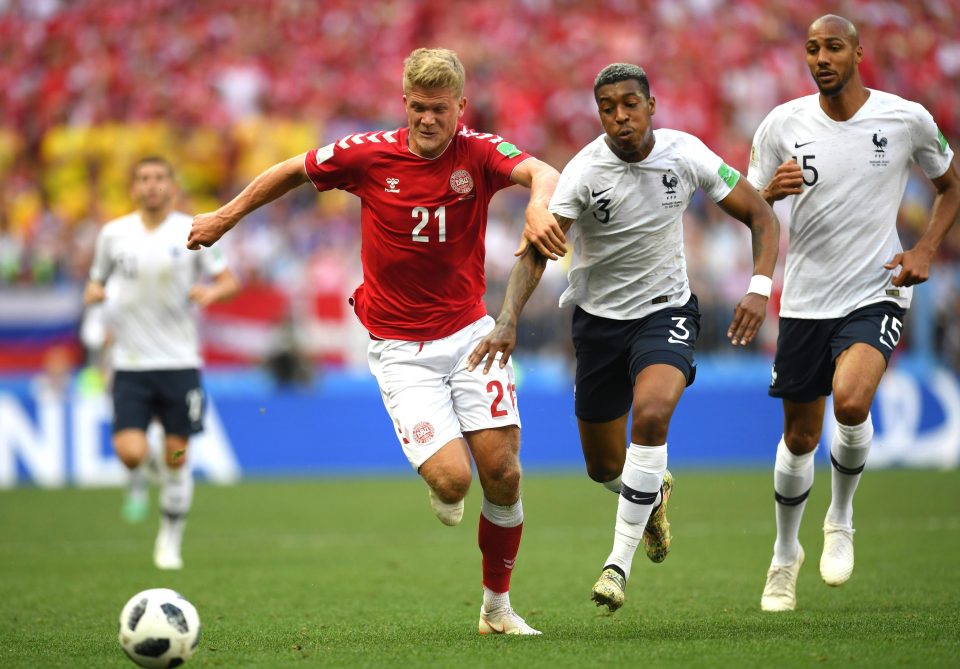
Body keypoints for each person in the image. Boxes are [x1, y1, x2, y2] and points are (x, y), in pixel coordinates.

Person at [187, 48, 560, 635]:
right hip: (399, 347)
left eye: (440, 109)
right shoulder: (367, 155)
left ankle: (496, 609)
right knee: (453, 481)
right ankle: (442, 477)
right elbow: (290, 170)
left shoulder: (480, 152)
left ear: (460, 107)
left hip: (470, 334)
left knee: (504, 473)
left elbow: (544, 171)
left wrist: (538, 204)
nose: (428, 120)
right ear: (404, 104)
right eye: (418, 108)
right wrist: (224, 218)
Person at [468, 63, 780, 612]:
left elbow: (757, 213)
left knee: (653, 414)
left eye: (629, 104)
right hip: (598, 325)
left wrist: (758, 287)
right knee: (602, 466)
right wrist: (508, 317)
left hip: (666, 311)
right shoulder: (584, 172)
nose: (619, 116)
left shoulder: (686, 154)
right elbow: (540, 249)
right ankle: (652, 491)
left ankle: (617, 565)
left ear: (651, 104)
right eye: (608, 108)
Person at [747, 15, 960, 612]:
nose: (821, 57)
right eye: (812, 48)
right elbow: (746, 202)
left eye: (832, 47)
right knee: (798, 435)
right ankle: (784, 556)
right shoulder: (781, 124)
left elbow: (951, 187)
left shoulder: (905, 117)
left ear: (858, 53)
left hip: (877, 288)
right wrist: (770, 194)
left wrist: (924, 250)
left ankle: (840, 519)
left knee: (851, 400)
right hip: (806, 299)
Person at [85, 156, 240, 569]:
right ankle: (141, 473)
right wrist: (94, 295)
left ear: (173, 186)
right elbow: (95, 282)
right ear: (133, 187)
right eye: (143, 179)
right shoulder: (113, 234)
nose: (151, 186)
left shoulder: (192, 230)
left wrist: (211, 294)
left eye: (159, 178)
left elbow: (229, 280)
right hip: (130, 365)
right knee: (132, 452)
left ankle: (170, 538)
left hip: (179, 363)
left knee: (177, 456)